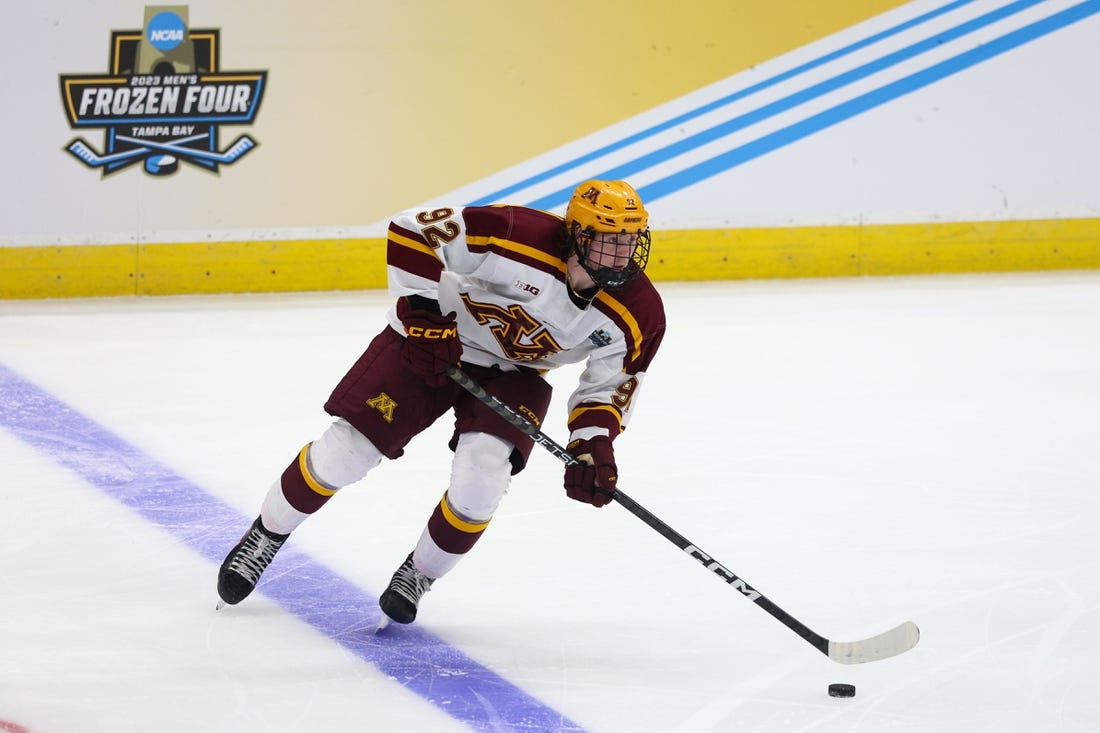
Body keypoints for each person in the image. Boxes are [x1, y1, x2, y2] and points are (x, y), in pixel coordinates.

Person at [216, 179, 666, 624]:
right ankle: (265, 536)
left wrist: (592, 446)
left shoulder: (641, 314)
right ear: (576, 234)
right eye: (608, 241)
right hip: (432, 340)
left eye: (629, 241)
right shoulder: (513, 232)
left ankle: (418, 575)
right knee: (347, 453)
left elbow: (606, 388)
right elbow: (413, 229)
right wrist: (427, 316)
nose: (620, 254)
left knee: (483, 481)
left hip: (515, 374)